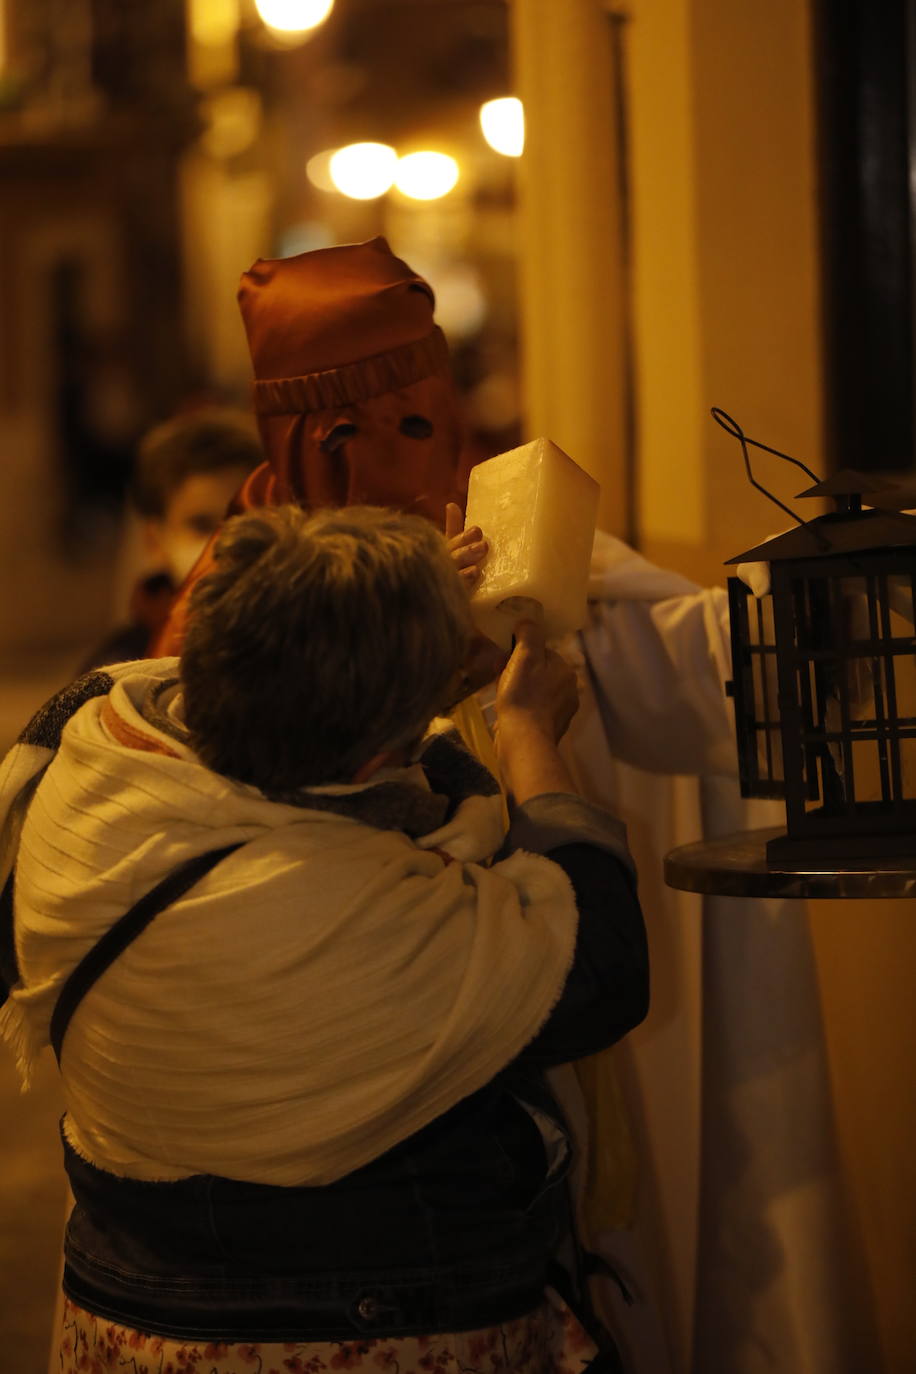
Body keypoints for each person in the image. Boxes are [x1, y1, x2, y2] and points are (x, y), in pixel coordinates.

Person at [0, 503, 648, 1374]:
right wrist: (526, 735)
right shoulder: (362, 913)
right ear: (376, 751)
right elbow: (600, 967)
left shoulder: (85, 757)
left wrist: (390, 650)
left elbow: (309, 756)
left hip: (128, 1310)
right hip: (369, 1319)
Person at [82, 408, 262, 671]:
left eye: (239, 519)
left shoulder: (296, 644)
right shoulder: (120, 668)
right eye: (201, 525)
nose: (222, 541)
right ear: (154, 541)